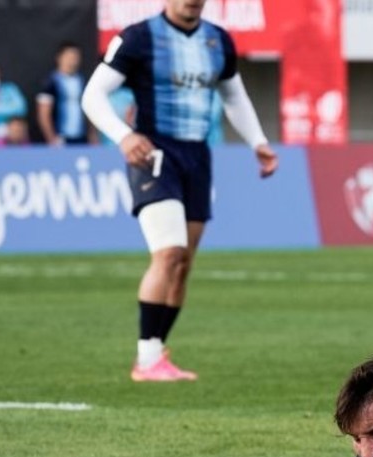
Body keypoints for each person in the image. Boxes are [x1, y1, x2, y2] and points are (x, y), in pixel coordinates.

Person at [81, 0, 278, 382]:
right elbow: (93, 95)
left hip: (197, 157)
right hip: (154, 153)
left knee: (183, 262)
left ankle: (156, 353)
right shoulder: (138, 38)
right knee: (169, 253)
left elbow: (233, 95)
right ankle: (146, 359)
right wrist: (124, 136)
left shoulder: (217, 40)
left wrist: (258, 142)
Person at [37, 42, 92, 146]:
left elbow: (89, 110)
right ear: (59, 58)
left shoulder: (83, 81)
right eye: (69, 56)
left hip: (81, 139)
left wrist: (92, 135)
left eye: (75, 57)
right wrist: (52, 138)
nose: (73, 60)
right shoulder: (50, 82)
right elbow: (43, 114)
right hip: (61, 139)